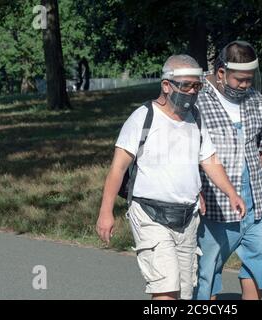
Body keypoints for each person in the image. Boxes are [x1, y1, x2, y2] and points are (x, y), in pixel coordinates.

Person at [96, 54, 246, 300]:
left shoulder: (195, 118)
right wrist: (106, 212)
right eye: (186, 85)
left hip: (187, 217)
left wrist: (231, 192)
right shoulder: (143, 118)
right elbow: (117, 169)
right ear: (166, 85)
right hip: (149, 214)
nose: (192, 91)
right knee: (165, 289)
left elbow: (209, 160)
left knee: (184, 293)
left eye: (196, 85)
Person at [194, 41, 262, 300]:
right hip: (215, 202)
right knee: (207, 268)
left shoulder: (256, 101)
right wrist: (193, 189)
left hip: (256, 198)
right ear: (221, 73)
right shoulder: (197, 100)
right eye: (240, 80)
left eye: (250, 79)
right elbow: (184, 151)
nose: (246, 85)